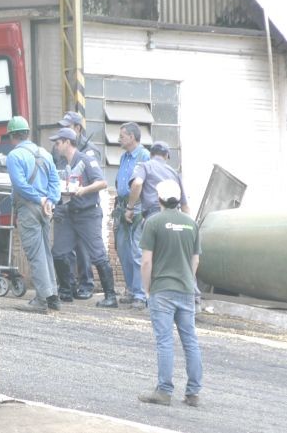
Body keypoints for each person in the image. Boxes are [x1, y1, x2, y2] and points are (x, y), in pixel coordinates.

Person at [138, 179, 202, 407]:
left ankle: (164, 391)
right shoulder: (191, 224)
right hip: (186, 289)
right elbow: (195, 261)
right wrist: (187, 280)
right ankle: (193, 393)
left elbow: (146, 262)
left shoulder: (153, 223)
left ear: (159, 199)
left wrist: (147, 289)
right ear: (178, 199)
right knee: (190, 341)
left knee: (165, 341)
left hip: (162, 290)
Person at [50, 128, 118, 308]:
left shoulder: (86, 159)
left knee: (98, 255)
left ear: (67, 142)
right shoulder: (63, 163)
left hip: (88, 214)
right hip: (69, 213)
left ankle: (111, 296)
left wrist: (84, 190)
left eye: (58, 143)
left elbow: (102, 182)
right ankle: (66, 290)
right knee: (58, 252)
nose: (55, 146)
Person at [6, 116, 61, 313]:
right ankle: (53, 296)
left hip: (29, 207)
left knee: (36, 254)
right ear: (27, 133)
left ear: (13, 136)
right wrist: (50, 201)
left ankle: (41, 299)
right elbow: (56, 182)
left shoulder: (14, 156)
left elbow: (19, 184)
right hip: (46, 208)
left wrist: (40, 200)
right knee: (46, 252)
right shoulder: (45, 153)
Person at [53, 111, 100, 300]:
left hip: (83, 206)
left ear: (78, 128)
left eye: (67, 126)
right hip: (64, 206)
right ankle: (68, 285)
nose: (62, 130)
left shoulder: (89, 151)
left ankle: (86, 284)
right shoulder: (57, 148)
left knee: (83, 248)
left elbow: (95, 179)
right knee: (63, 250)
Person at [114, 121, 150, 309]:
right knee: (123, 250)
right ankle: (130, 288)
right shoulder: (124, 157)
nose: (119, 138)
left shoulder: (143, 155)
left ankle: (140, 294)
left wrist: (132, 206)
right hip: (122, 206)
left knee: (136, 251)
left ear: (132, 137)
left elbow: (139, 184)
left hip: (135, 207)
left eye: (122, 135)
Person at [125, 141, 190, 222]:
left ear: (150, 154)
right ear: (166, 156)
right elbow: (184, 205)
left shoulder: (144, 166)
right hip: (173, 217)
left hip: (153, 214)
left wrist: (130, 208)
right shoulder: (174, 173)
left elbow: (137, 183)